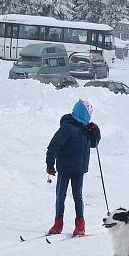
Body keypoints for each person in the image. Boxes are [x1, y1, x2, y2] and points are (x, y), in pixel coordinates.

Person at [46, 100, 101, 236]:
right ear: (83, 113)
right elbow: (54, 145)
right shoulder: (67, 127)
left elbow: (94, 143)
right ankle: (58, 223)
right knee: (60, 195)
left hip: (79, 169)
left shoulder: (86, 129)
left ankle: (80, 225)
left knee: (78, 196)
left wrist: (96, 131)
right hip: (64, 167)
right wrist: (50, 163)